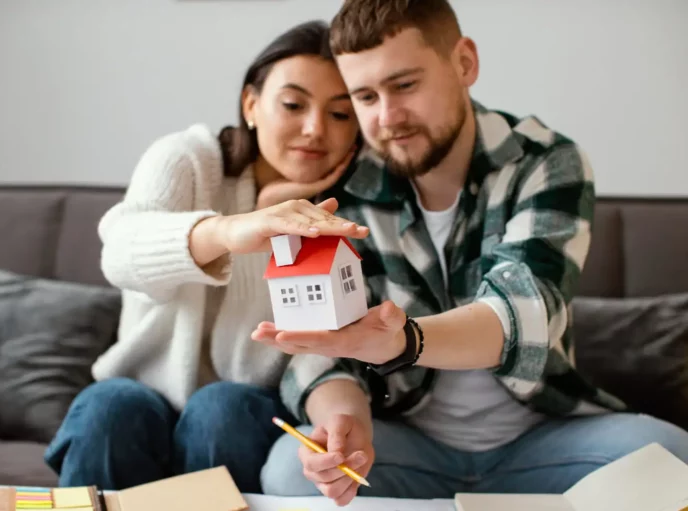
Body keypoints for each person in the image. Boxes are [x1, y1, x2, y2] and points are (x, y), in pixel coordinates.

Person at [254, 0, 688, 505]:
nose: (388, 117)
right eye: (365, 97)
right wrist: (345, 423)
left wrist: (403, 342)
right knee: (289, 470)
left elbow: (523, 314)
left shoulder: (544, 161)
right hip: (406, 442)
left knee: (671, 456)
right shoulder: (348, 182)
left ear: (464, 63)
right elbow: (322, 355)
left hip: (543, 438)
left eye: (405, 85)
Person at [43, 20, 370, 494]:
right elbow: (120, 252)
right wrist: (233, 230)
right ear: (251, 105)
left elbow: (323, 350)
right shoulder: (188, 159)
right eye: (293, 105)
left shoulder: (350, 217)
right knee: (111, 408)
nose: (314, 129)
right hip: (137, 397)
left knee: (221, 408)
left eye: (340, 115)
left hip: (241, 413)